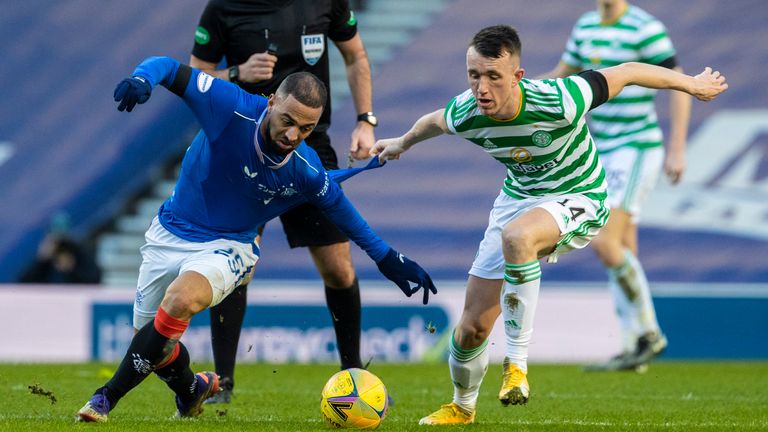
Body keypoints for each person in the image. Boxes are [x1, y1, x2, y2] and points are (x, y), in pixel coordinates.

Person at [371, 25, 726, 425]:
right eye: (474, 75)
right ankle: (462, 406)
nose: (482, 88)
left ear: (517, 77)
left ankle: (516, 366)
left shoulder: (560, 99)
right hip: (518, 199)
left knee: (519, 238)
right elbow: (433, 122)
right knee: (471, 327)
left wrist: (690, 84)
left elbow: (626, 71)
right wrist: (401, 142)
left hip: (581, 195)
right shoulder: (467, 111)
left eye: (493, 77)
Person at [76, 56, 436, 422]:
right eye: (288, 121)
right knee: (152, 343)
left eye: (306, 129)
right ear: (270, 102)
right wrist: (143, 80)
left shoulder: (306, 168)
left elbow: (343, 212)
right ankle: (191, 390)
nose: (293, 136)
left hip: (229, 245)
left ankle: (104, 399)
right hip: (169, 231)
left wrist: (387, 257)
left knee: (180, 301)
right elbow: (167, 67)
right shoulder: (229, 106)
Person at [188, 0, 378, 401]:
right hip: (243, 149)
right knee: (236, 270)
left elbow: (356, 54)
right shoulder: (223, 8)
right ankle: (223, 383)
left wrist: (366, 119)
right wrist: (237, 73)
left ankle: (354, 376)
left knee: (338, 268)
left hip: (307, 150)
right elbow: (196, 78)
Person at [538, 0, 691, 372]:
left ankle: (651, 334)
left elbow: (679, 81)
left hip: (636, 147)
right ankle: (633, 348)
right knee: (623, 249)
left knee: (606, 243)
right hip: (600, 150)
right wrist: (522, 90)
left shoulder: (644, 27)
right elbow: (563, 73)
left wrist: (677, 147)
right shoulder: (585, 26)